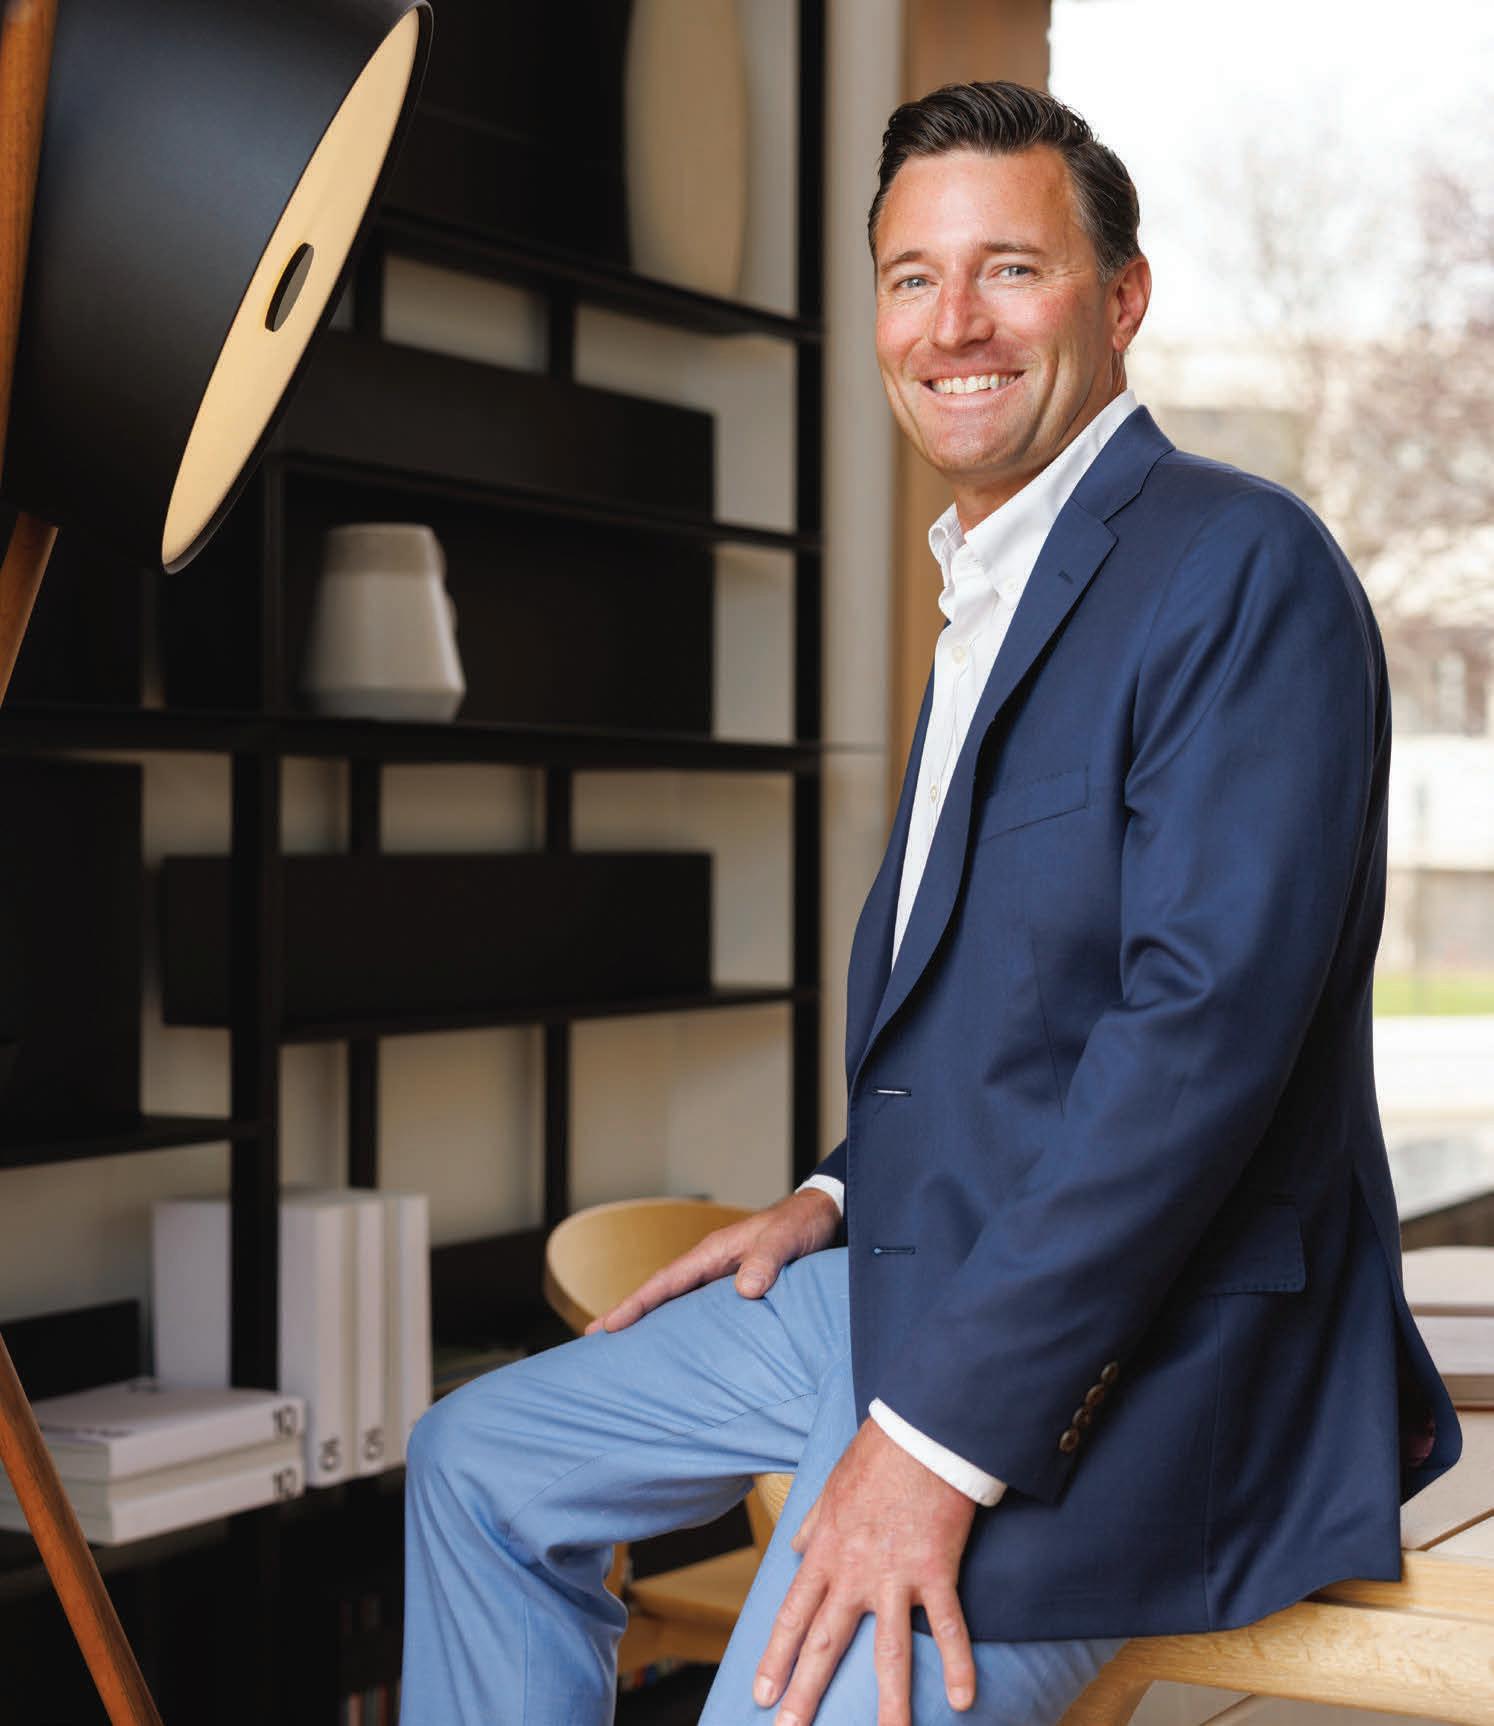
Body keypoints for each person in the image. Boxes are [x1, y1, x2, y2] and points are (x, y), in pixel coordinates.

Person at [399, 81, 1461, 1726]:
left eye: (1009, 270)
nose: (951, 323)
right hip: (909, 1267)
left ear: (1121, 298)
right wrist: (837, 1188)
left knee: (783, 1700)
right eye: (912, 277)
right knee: (477, 1458)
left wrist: (929, 1447)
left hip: (1132, 1358)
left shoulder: (1236, 568)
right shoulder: (995, 581)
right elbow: (1006, 1008)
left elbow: (1194, 1049)